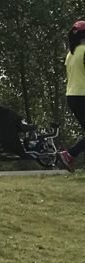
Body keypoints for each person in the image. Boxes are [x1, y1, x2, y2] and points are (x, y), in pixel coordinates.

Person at [59, 20, 85, 172]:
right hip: (82, 95)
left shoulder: (70, 54)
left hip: (72, 96)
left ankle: (70, 155)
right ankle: (69, 154)